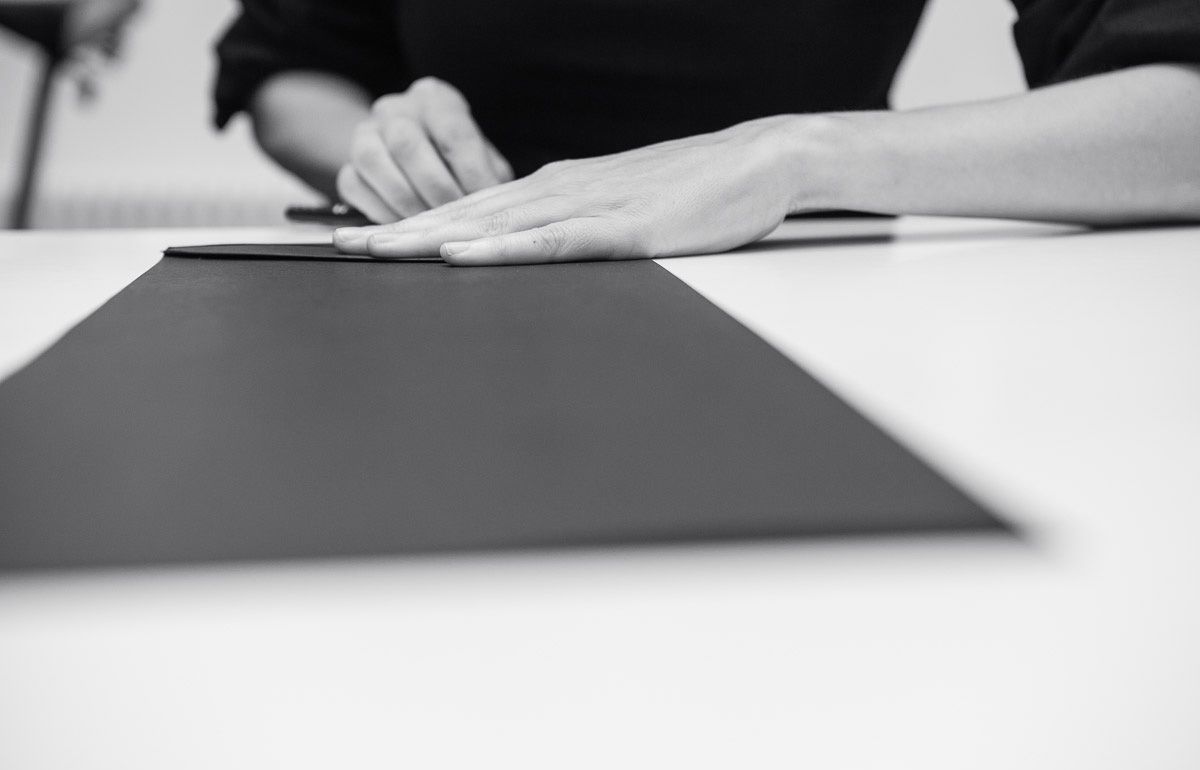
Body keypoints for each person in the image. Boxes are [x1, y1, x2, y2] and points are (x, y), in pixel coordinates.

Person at [215, 0, 1200, 265]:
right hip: (453, 278)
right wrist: (385, 149)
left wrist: (789, 156)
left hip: (827, 284)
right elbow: (289, 63)